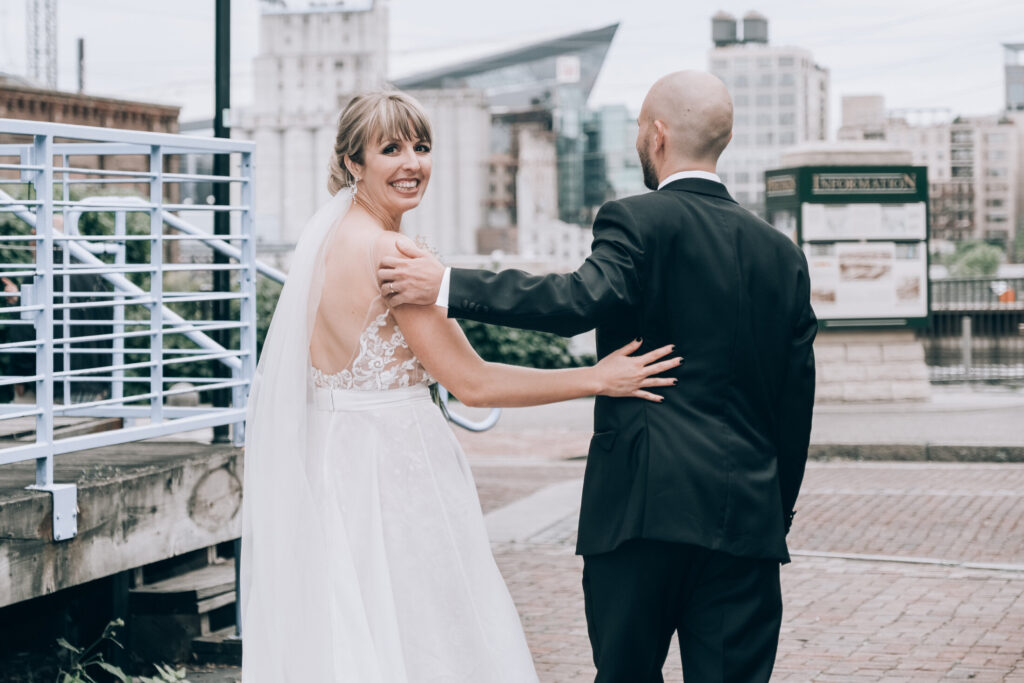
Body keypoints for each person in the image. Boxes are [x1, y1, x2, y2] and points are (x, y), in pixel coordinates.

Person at [379, 71, 818, 682]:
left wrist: (447, 284)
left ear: (657, 135)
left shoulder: (637, 220)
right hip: (746, 523)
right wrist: (776, 510)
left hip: (641, 514)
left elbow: (575, 301)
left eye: (640, 126)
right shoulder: (783, 254)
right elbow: (797, 403)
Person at [240, 91, 680, 682]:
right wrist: (597, 377)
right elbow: (473, 383)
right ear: (353, 163)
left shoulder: (323, 244)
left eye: (421, 147)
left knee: (355, 620)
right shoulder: (395, 253)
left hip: (334, 457)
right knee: (430, 630)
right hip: (397, 464)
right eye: (390, 149)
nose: (412, 163)